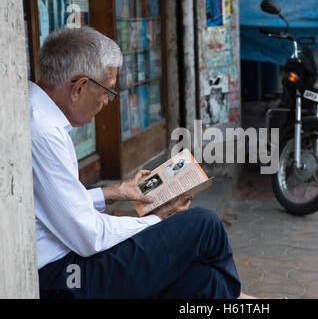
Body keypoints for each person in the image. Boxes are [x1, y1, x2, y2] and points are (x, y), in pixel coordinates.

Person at [32, 26, 255, 299]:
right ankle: (241, 299)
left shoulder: (36, 112)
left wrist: (111, 194)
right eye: (107, 92)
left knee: (203, 279)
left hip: (66, 265)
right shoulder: (45, 132)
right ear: (78, 87)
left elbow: (53, 205)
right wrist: (157, 220)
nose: (106, 102)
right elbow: (89, 236)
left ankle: (239, 299)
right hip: (65, 278)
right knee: (203, 224)